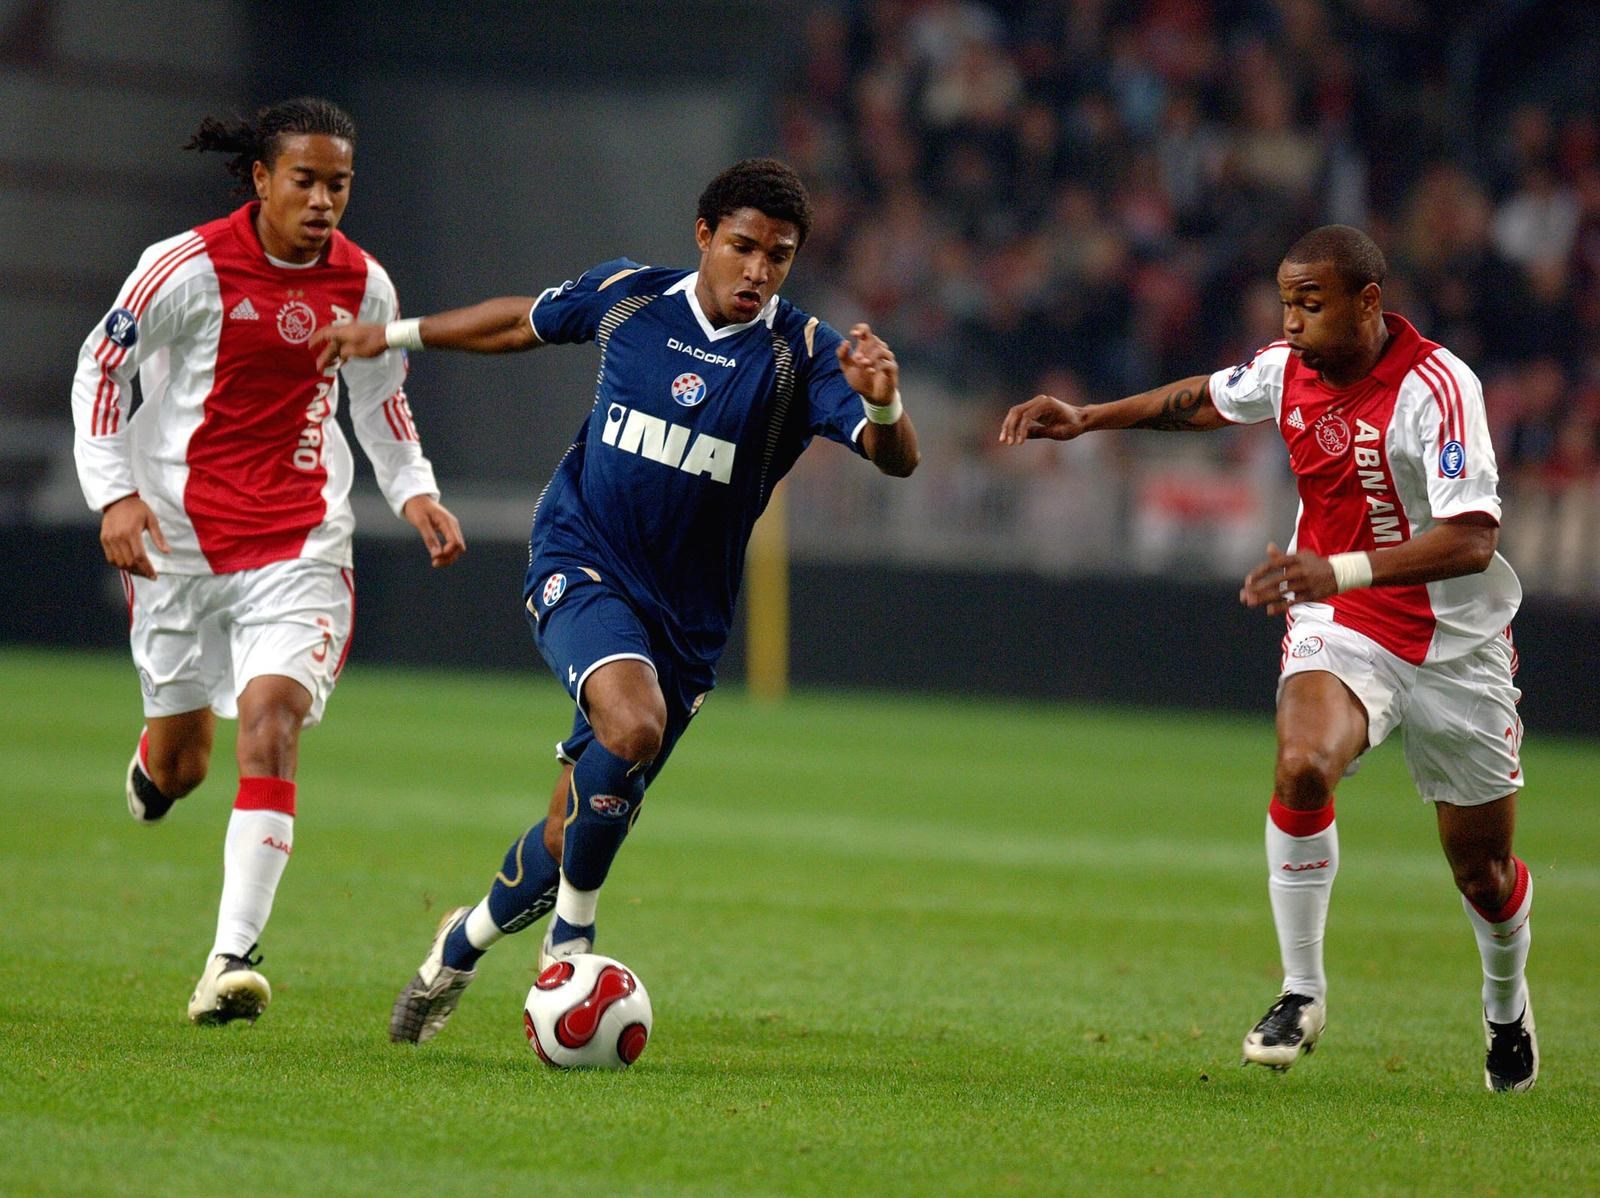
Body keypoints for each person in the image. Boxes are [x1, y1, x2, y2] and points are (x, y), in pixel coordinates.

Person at [315, 157, 920, 1044]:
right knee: (631, 725)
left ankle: (460, 943)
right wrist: (394, 336)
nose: (758, 270)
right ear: (705, 236)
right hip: (580, 558)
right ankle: (572, 941)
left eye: (779, 257)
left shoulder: (803, 355)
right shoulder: (631, 297)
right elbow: (520, 322)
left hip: (686, 623)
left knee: (570, 834)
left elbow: (896, 459)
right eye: (744, 247)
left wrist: (887, 403)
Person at [999, 225, 1536, 1092]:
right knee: (1302, 766)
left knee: (1483, 872)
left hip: (1457, 646)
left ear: (1368, 302)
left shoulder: (1439, 386)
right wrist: (1088, 419)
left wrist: (1340, 566)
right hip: (1341, 620)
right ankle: (1301, 991)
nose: (1290, 323)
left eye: (1309, 304)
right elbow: (1207, 399)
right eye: (1286, 303)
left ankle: (1506, 1007)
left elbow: (1473, 539)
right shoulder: (1287, 369)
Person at [70, 97, 465, 1026]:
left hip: (300, 541)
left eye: (339, 184)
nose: (323, 201)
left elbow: (381, 398)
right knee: (184, 766)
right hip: (177, 542)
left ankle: (230, 959)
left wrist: (414, 490)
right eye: (305, 181)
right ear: (261, 178)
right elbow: (101, 369)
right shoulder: (185, 268)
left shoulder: (364, 283)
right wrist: (115, 495)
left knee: (273, 719)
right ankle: (157, 766)